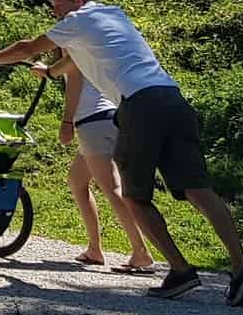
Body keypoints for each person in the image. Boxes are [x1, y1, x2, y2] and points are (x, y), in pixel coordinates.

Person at [0, 0, 243, 306]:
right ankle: (241, 268)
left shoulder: (77, 20)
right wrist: (51, 73)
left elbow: (27, 47)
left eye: (58, 7)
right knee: (199, 190)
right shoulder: (113, 15)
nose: (56, 15)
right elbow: (76, 60)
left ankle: (180, 270)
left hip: (139, 106)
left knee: (135, 197)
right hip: (173, 99)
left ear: (77, 0)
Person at [29, 54, 156, 273]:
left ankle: (141, 252)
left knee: (112, 188)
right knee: (77, 181)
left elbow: (75, 80)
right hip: (110, 117)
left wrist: (67, 122)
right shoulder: (94, 46)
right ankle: (94, 249)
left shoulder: (73, 43)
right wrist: (49, 70)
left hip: (92, 121)